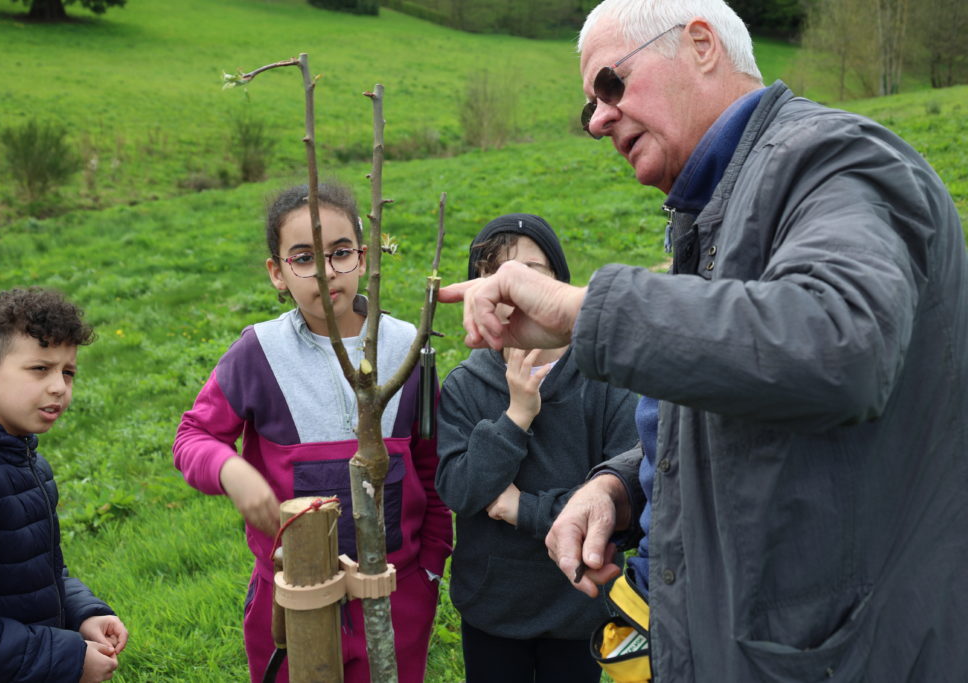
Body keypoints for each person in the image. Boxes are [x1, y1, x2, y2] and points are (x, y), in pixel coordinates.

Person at [438, 0, 968, 681]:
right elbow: (743, 395)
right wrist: (623, 486)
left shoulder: (830, 160)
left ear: (699, 44)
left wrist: (586, 312)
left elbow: (840, 346)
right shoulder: (722, 204)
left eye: (609, 84)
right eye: (588, 108)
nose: (598, 120)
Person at [172, 182, 453, 683]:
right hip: (290, 594)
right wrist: (231, 470)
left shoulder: (407, 348)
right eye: (303, 258)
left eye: (340, 253)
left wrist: (429, 564)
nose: (326, 271)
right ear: (277, 273)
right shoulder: (259, 353)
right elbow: (193, 436)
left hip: (396, 590)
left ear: (363, 258)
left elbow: (432, 464)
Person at [435, 213, 640, 683]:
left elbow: (623, 499)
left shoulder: (603, 384)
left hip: (577, 605)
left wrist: (520, 508)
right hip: (493, 607)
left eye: (531, 273)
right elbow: (461, 492)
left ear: (557, 288)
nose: (513, 290)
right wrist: (516, 416)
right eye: (498, 277)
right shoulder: (467, 386)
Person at [0, 287, 129, 683]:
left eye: (68, 372)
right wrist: (68, 658)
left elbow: (38, 571)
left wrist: (85, 613)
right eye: (39, 369)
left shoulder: (23, 458)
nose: (59, 387)